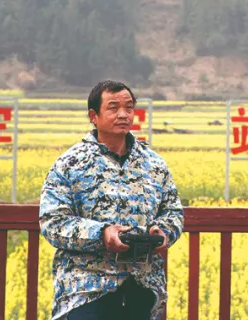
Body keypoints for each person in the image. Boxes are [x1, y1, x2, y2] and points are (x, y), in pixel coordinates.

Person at [40, 80, 183, 320]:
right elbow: (53, 222)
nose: (123, 114)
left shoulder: (154, 163)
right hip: (88, 288)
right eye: (113, 108)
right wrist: (102, 234)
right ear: (93, 116)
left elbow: (173, 211)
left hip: (144, 285)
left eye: (129, 108)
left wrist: (164, 231)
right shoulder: (70, 163)